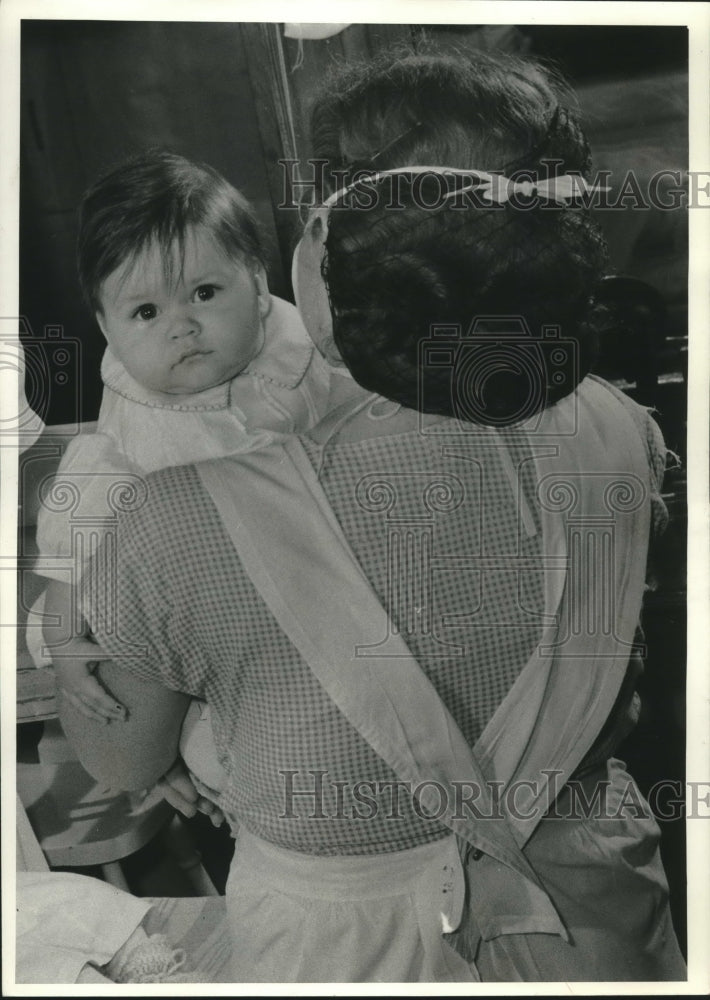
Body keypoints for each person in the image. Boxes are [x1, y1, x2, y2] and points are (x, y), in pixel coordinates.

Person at [59, 50, 685, 982]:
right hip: (598, 904)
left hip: (355, 946)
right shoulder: (624, 432)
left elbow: (118, 753)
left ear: (321, 250)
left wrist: (76, 629)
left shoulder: (170, 518)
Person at [32, 150, 329, 733]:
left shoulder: (306, 353)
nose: (181, 326)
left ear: (258, 282)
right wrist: (67, 649)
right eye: (145, 311)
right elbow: (74, 561)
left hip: (322, 586)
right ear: (105, 328)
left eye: (204, 293)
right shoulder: (126, 439)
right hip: (208, 627)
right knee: (161, 717)